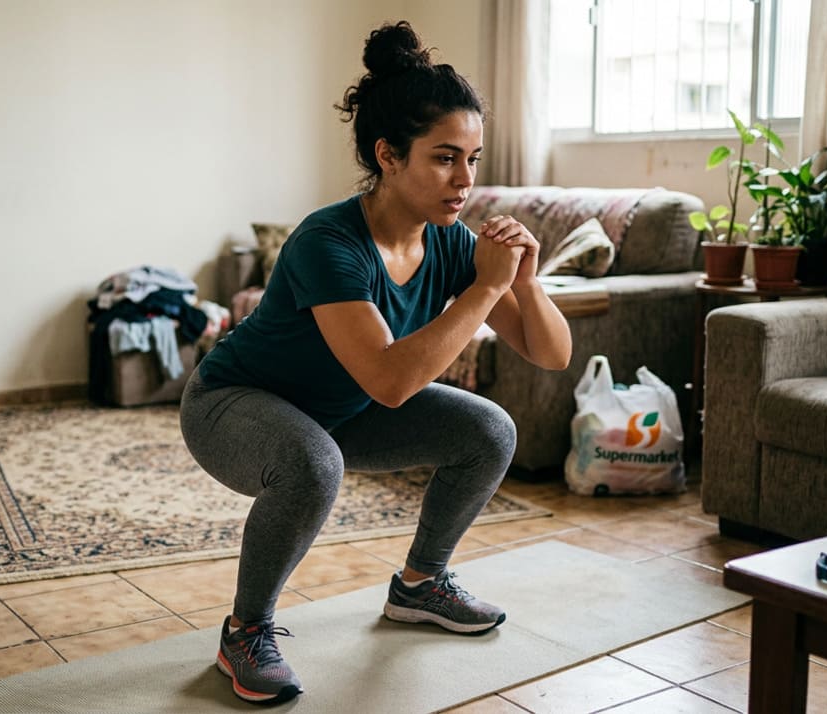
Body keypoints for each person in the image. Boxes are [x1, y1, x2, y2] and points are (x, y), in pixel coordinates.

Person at [179, 20, 572, 705]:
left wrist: (525, 281)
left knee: (489, 431)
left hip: (340, 408)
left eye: (474, 159)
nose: (466, 181)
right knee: (311, 464)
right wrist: (485, 287)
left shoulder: (450, 242)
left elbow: (550, 353)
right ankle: (245, 631)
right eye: (445, 158)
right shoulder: (329, 242)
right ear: (389, 155)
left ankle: (422, 585)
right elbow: (392, 381)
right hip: (232, 402)